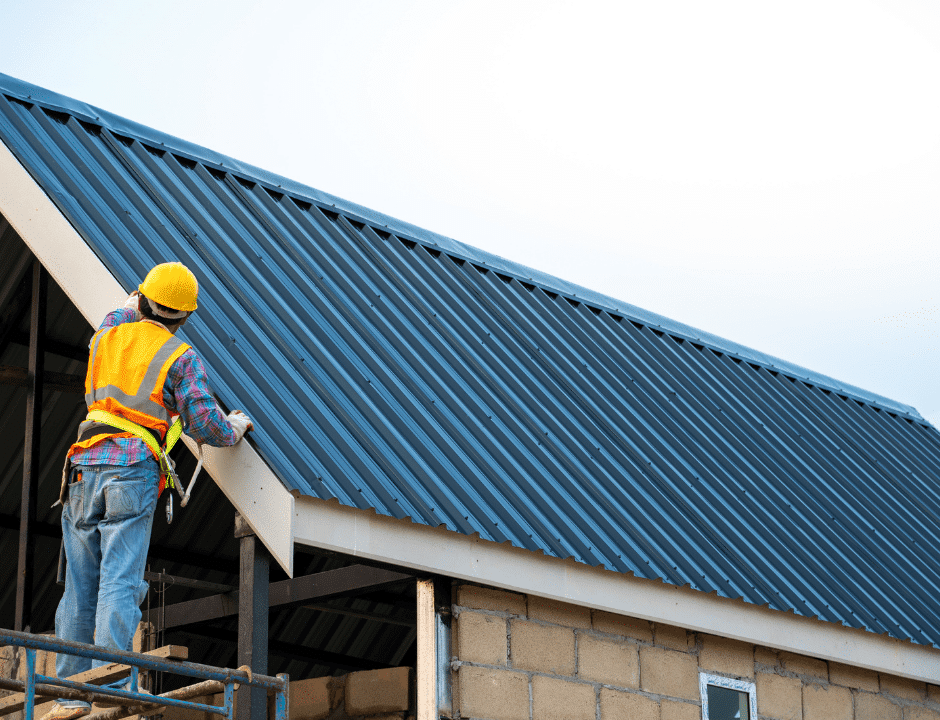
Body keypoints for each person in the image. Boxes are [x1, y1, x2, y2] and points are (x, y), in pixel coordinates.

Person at [43, 262, 253, 720]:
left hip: (82, 465)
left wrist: (135, 301)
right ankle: (112, 686)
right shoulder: (180, 356)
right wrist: (233, 428)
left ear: (142, 301)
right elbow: (203, 423)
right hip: (131, 471)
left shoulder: (106, 336)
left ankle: (67, 697)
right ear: (185, 315)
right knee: (119, 581)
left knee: (79, 586)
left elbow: (119, 313)